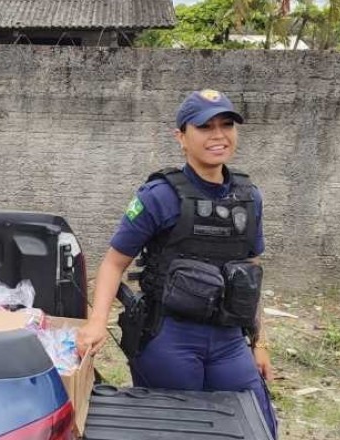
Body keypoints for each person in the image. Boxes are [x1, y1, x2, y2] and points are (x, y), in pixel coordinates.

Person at [77, 89, 278, 438]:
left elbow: (251, 273)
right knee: (174, 429)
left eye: (226, 125)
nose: (218, 135)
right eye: (204, 127)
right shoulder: (159, 196)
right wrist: (97, 323)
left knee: (256, 425)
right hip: (170, 337)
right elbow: (112, 264)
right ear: (181, 137)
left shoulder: (249, 197)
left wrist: (259, 344)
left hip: (230, 340)